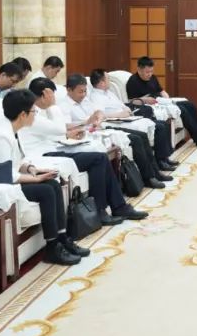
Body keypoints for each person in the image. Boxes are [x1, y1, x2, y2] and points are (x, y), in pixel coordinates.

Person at [0, 89, 88, 266]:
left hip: (5, 179)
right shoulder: (1, 136)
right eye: (34, 111)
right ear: (23, 115)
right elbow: (6, 174)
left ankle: (62, 239)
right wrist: (36, 179)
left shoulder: (11, 129)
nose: (35, 114)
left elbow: (17, 161)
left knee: (53, 184)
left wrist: (32, 169)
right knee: (46, 190)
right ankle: (52, 248)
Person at [24, 77, 147, 225]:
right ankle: (102, 211)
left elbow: (53, 133)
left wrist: (69, 135)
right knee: (99, 159)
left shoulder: (39, 110)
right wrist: (53, 106)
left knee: (100, 158)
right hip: (44, 156)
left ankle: (117, 207)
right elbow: (59, 128)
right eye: (52, 95)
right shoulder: (31, 113)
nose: (54, 98)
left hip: (54, 149)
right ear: (45, 93)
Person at [62, 73, 172, 188]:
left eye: (85, 91)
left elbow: (99, 113)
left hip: (101, 128)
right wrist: (86, 122)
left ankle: (155, 173)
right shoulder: (64, 105)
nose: (84, 94)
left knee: (142, 136)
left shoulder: (85, 100)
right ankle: (148, 178)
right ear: (69, 90)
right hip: (87, 134)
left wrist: (98, 118)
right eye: (80, 92)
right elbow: (66, 126)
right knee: (135, 140)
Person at [88, 68, 178, 170]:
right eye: (108, 78)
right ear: (102, 83)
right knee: (158, 127)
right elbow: (101, 115)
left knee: (162, 124)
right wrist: (121, 114)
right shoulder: (95, 97)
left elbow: (122, 104)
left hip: (127, 117)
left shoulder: (109, 92)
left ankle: (164, 159)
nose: (110, 81)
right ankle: (160, 162)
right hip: (117, 121)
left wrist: (126, 109)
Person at [126, 56, 197, 147]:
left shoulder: (152, 78)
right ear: (139, 69)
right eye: (147, 72)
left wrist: (166, 98)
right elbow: (131, 101)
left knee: (190, 105)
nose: (150, 74)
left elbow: (161, 91)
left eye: (151, 71)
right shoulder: (133, 81)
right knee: (182, 109)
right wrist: (145, 100)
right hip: (150, 105)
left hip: (161, 101)